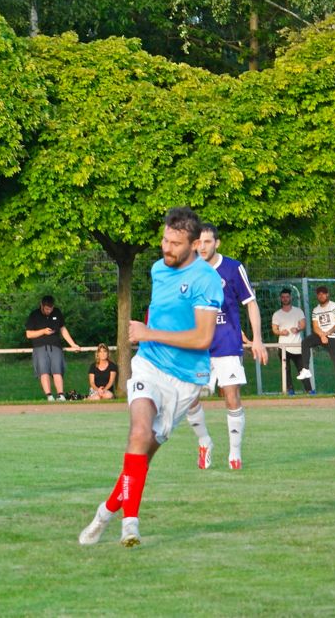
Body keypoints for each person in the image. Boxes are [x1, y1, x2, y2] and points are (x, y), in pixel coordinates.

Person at [78, 206, 221, 548]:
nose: (166, 248)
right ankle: (130, 525)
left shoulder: (207, 280)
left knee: (142, 454)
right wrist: (148, 338)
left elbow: (203, 338)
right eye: (164, 240)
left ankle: (105, 512)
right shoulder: (158, 269)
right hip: (149, 365)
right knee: (138, 433)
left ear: (194, 245)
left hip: (185, 381)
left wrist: (148, 332)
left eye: (175, 243)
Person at [182, 224, 266, 470]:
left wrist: (257, 338)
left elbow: (251, 303)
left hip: (227, 342)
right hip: (198, 345)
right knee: (188, 398)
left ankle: (235, 453)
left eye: (207, 241)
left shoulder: (232, 268)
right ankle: (204, 442)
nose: (202, 247)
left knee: (231, 396)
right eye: (199, 242)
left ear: (217, 243)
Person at [24, 295, 82, 401]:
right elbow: (29, 334)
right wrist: (43, 331)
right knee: (44, 371)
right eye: (46, 309)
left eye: (50, 309)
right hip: (40, 347)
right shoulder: (34, 314)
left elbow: (63, 329)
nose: (49, 311)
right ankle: (49, 396)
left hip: (55, 346)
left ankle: (61, 395)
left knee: (57, 370)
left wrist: (73, 344)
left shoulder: (57, 312)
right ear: (41, 305)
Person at [297, 286, 335, 396]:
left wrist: (327, 333)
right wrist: (322, 335)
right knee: (306, 342)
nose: (321, 296)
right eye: (319, 294)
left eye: (323, 293)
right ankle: (306, 369)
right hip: (321, 335)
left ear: (327, 294)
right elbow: (315, 327)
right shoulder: (316, 310)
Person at [271, 288, 311, 395]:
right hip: (283, 347)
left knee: (302, 369)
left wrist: (298, 329)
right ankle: (290, 390)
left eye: (287, 297)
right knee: (286, 370)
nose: (285, 299)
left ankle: (309, 390)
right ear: (280, 298)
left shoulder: (298, 311)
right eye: (283, 297)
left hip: (297, 346)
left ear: (291, 297)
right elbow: (274, 329)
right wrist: (281, 332)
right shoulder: (277, 314)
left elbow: (303, 324)